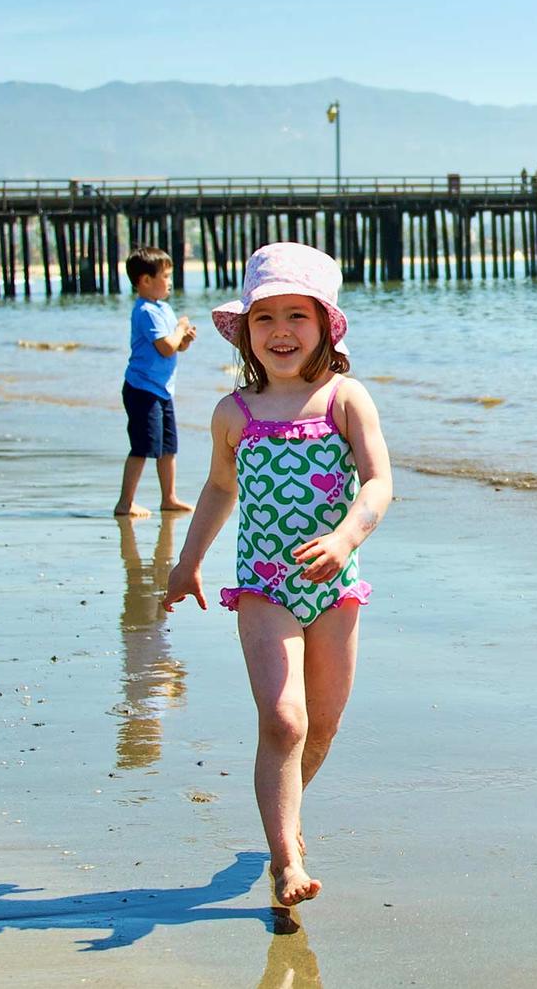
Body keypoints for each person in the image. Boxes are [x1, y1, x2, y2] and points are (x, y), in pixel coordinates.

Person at [163, 243, 393, 910]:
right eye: (265, 318)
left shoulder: (345, 399)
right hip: (264, 586)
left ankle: (287, 813)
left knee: (321, 725)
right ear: (244, 331)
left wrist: (347, 534)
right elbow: (216, 487)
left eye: (298, 314)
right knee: (284, 720)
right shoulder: (235, 412)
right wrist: (187, 561)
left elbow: (379, 483)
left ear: (325, 324)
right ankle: (285, 855)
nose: (281, 331)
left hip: (336, 584)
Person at [116, 246, 198, 517]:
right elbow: (165, 347)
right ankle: (125, 502)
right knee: (142, 447)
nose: (170, 281)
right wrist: (178, 331)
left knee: (168, 447)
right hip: (142, 389)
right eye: (165, 275)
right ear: (145, 281)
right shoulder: (145, 311)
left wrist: (184, 338)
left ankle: (169, 497)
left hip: (162, 390)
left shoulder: (163, 308)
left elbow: (176, 347)